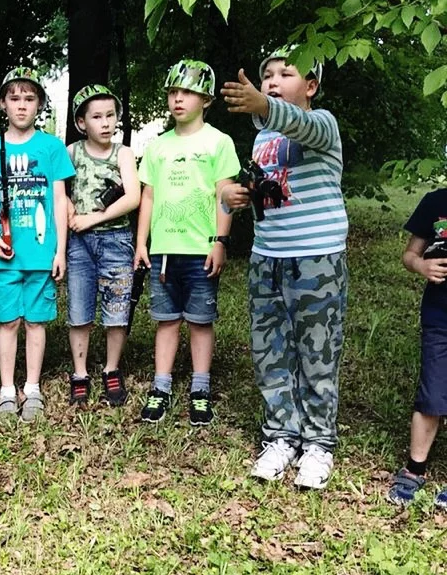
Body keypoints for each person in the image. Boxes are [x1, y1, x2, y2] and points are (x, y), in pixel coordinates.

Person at [221, 47, 347, 489]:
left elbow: (300, 124)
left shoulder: (322, 124)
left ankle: (318, 444)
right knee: (270, 350)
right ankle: (280, 436)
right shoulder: (262, 140)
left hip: (317, 258)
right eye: (267, 75)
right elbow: (263, 193)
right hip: (267, 258)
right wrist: (236, 197)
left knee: (317, 352)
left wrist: (262, 104)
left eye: (285, 74)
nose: (272, 80)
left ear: (310, 86)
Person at [134, 60, 238, 426]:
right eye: (173, 92)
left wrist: (219, 241)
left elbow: (224, 194)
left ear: (206, 99)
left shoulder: (219, 142)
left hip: (201, 251)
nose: (178, 99)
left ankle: (200, 389)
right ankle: (160, 387)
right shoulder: (157, 147)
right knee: (165, 320)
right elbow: (147, 196)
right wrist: (141, 243)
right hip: (163, 251)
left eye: (188, 92)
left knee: (199, 321)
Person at [0, 67, 74, 421]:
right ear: (3, 103)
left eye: (29, 99)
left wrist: (60, 250)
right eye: (14, 98)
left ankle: (32, 388)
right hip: (5, 255)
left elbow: (59, 200)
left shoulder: (52, 147)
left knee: (36, 322)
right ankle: (6, 390)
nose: (21, 106)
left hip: (42, 253)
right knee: (9, 322)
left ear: (40, 105)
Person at [65, 84, 141, 407]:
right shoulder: (71, 152)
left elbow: (133, 197)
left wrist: (92, 218)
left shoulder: (122, 153)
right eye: (97, 117)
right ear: (82, 122)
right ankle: (80, 372)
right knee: (79, 307)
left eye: (110, 115)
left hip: (116, 239)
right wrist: (69, 209)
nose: (106, 122)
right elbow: (59, 189)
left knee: (117, 307)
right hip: (79, 243)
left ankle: (111, 369)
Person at [384, 193, 447, 506]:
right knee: (431, 393)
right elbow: (409, 254)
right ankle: (415, 468)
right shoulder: (436, 202)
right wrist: (422, 266)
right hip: (439, 317)